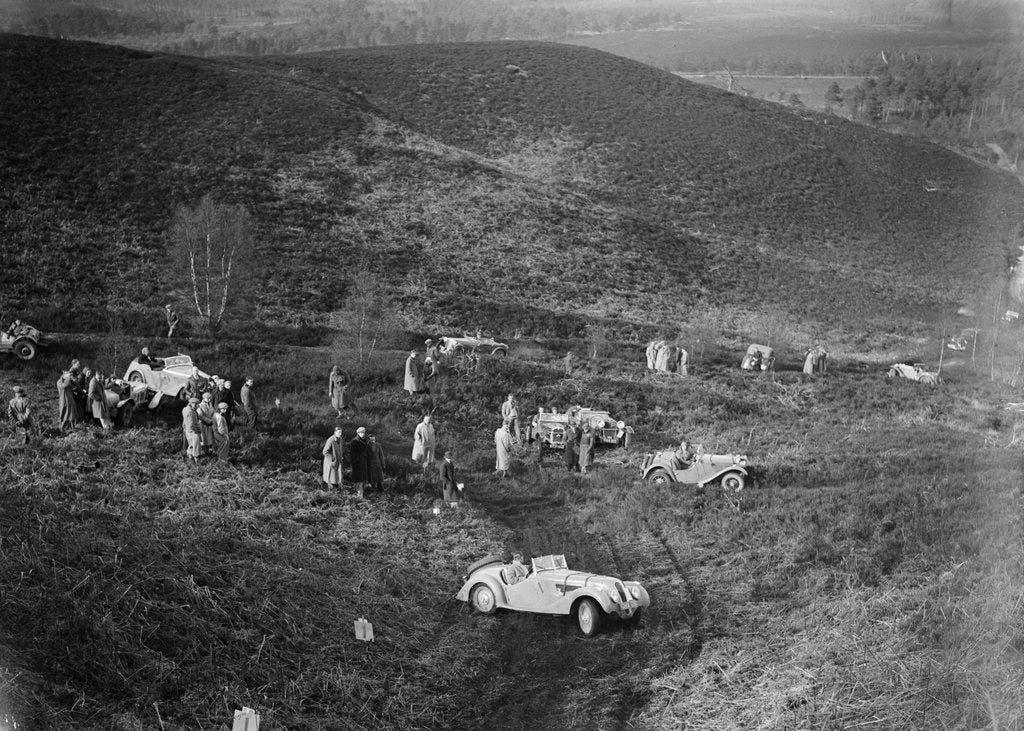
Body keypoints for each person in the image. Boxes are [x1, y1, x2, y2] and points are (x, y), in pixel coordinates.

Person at [349, 426, 370, 498]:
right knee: (359, 481)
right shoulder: (354, 441)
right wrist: (354, 463)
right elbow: (352, 454)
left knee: (363, 480)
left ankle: (361, 495)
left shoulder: (366, 441)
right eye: (361, 432)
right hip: (357, 464)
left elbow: (367, 452)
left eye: (364, 432)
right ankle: (359, 496)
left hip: (364, 463)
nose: (363, 434)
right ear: (358, 433)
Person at [322, 425, 345, 489]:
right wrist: (332, 458)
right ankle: (330, 494)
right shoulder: (331, 440)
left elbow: (340, 449)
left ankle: (335, 493)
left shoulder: (340, 439)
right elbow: (325, 451)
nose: (340, 434)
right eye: (338, 432)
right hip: (331, 463)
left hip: (338, 462)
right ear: (335, 432)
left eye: (341, 432)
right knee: (331, 480)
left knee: (337, 479)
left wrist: (341, 457)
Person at [181, 397, 202, 464]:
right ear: (192, 404)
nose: (197, 406)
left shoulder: (185, 409)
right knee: (196, 446)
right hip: (193, 431)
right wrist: (197, 431)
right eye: (196, 404)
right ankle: (197, 462)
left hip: (187, 431)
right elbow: (191, 425)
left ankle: (191, 459)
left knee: (191, 445)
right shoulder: (190, 412)